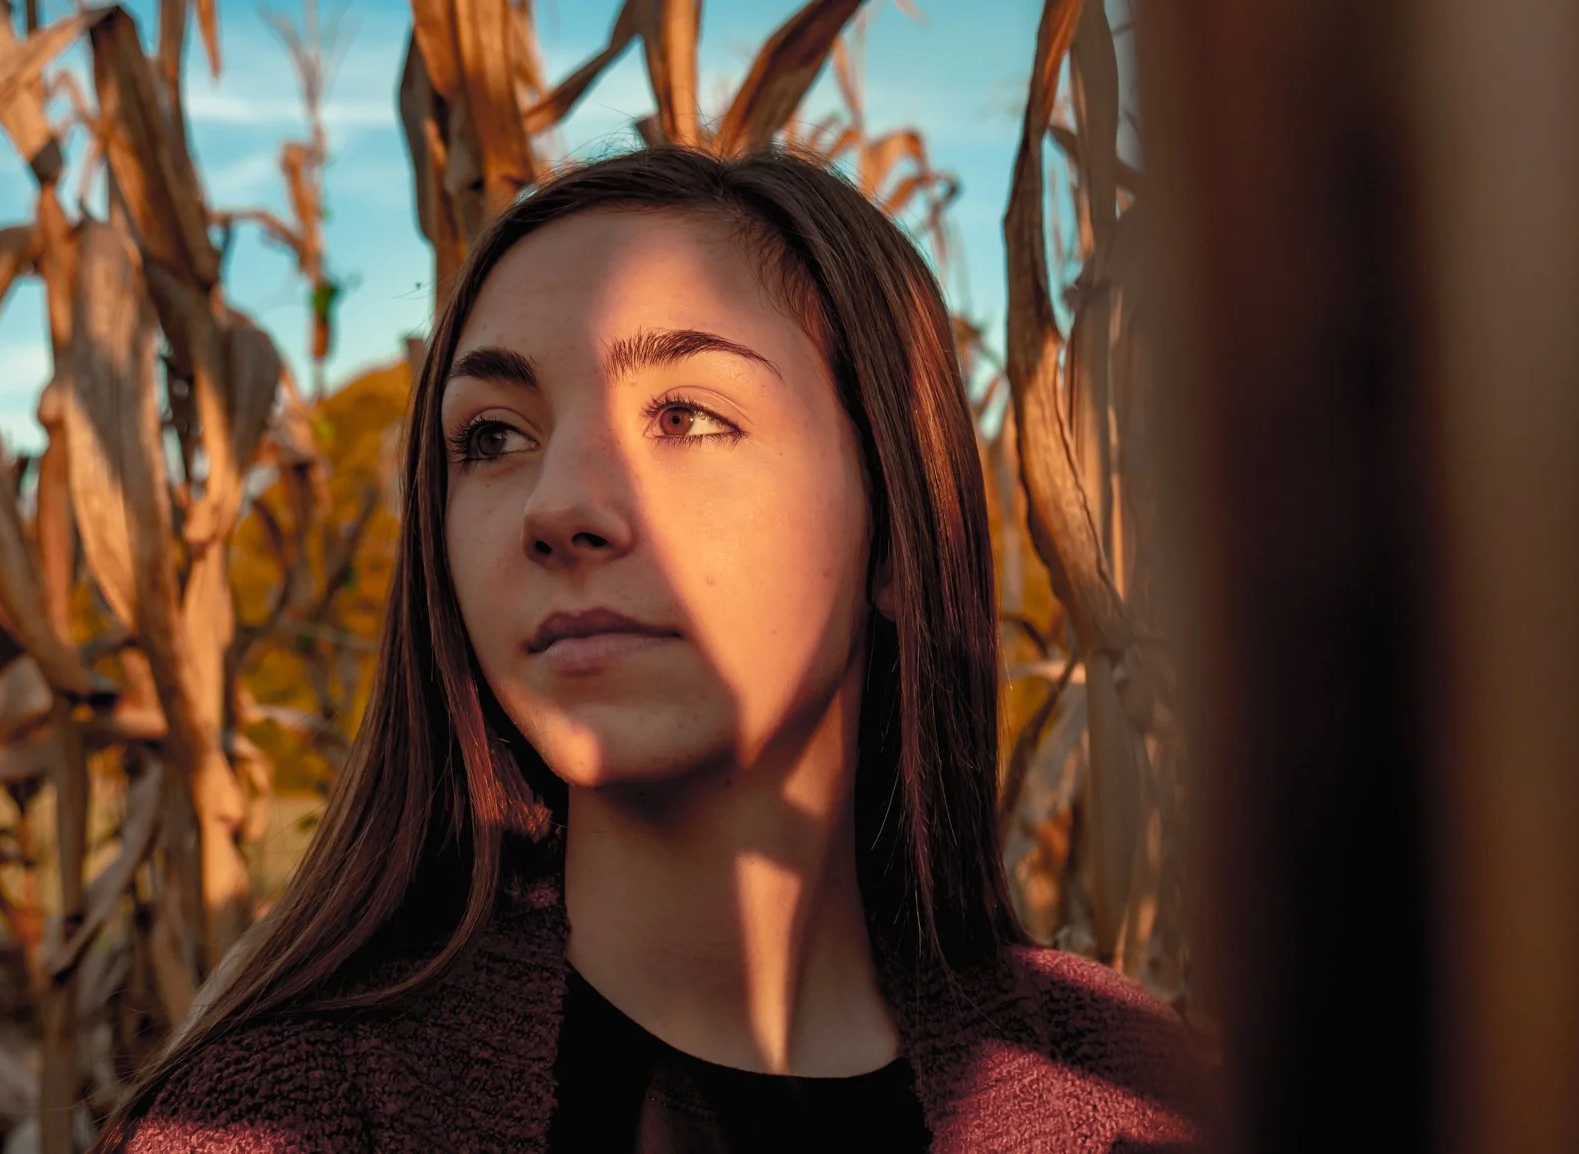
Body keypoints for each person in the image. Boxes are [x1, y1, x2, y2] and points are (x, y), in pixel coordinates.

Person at [94, 146, 1205, 1153]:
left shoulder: (1131, 1087)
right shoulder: (271, 1120)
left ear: (897, 527)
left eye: (685, 414)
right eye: (491, 436)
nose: (560, 503)